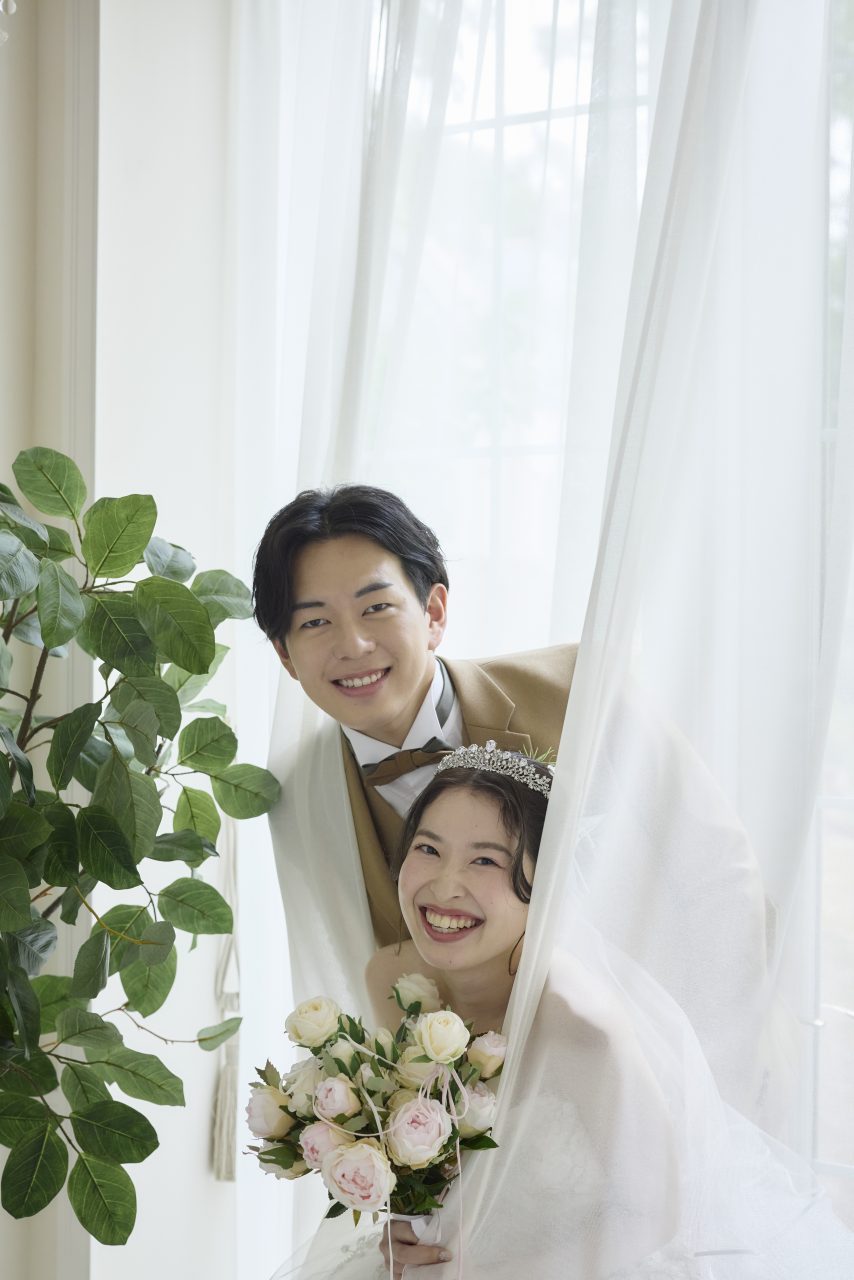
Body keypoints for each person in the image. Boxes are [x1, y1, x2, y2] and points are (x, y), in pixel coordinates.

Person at [346, 744, 854, 1279]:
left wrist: (478, 1274)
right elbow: (421, 1156)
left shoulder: (582, 1024)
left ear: (547, 881)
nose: (446, 885)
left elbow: (655, 1215)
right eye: (428, 848)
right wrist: (407, 1224)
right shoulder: (390, 978)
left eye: (486, 860)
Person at [253, 485, 576, 1009]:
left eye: (376, 607)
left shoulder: (578, 690)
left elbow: (708, 881)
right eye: (315, 622)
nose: (353, 645)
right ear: (285, 656)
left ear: (434, 612)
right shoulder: (295, 795)